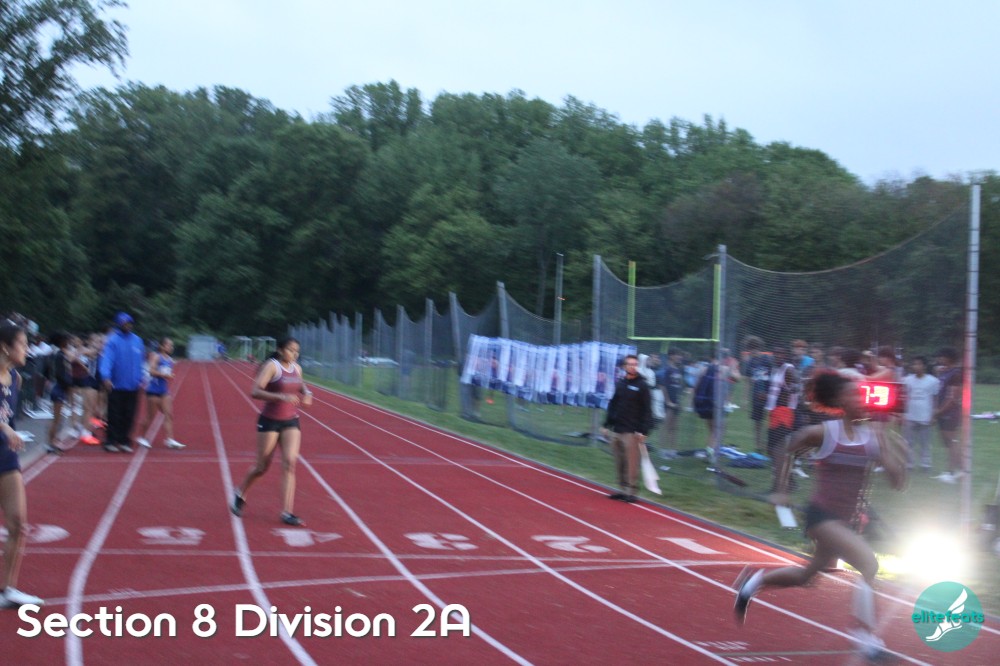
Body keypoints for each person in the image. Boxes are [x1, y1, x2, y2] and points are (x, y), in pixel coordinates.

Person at [733, 371, 908, 660]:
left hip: (846, 520)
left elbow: (898, 482)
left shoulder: (873, 437)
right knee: (868, 563)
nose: (862, 400)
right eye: (855, 395)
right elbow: (784, 449)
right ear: (841, 401)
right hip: (821, 516)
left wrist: (891, 447)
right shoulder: (825, 432)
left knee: (807, 575)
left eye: (862, 395)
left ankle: (751, 584)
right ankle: (867, 639)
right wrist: (781, 489)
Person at [232, 337, 313, 526]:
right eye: (291, 350)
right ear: (280, 350)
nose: (294, 354)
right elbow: (255, 391)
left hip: (291, 421)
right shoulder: (272, 366)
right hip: (270, 421)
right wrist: (281, 396)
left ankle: (287, 512)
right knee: (261, 467)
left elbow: (301, 385)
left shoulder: (297, 368)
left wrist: (308, 394)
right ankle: (240, 492)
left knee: (290, 463)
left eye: (297, 351)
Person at [0, 320, 44, 607]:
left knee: (18, 523)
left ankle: (8, 590)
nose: (27, 349)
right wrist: (4, 428)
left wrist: (11, 434)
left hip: (5, 457)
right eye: (23, 344)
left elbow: (9, 417)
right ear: (5, 347)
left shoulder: (15, 378)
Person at [600, 354, 652, 503]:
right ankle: (622, 489)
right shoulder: (621, 383)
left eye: (635, 364)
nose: (632, 367)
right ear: (624, 367)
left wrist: (644, 431)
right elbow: (613, 405)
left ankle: (631, 491)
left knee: (631, 463)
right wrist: (606, 425)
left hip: (632, 431)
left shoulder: (642, 385)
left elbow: (647, 410)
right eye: (629, 364)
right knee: (620, 461)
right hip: (617, 429)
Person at [99, 312, 147, 453]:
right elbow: (107, 359)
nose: (127, 326)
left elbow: (141, 361)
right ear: (119, 324)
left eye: (129, 323)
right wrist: (106, 376)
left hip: (133, 385)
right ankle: (111, 440)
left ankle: (125, 440)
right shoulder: (112, 341)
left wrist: (142, 377)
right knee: (114, 414)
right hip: (116, 384)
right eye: (125, 324)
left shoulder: (137, 341)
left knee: (130, 414)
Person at [137, 338, 185, 450]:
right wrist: (165, 375)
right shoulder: (156, 356)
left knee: (169, 415)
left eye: (172, 346)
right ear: (162, 346)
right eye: (169, 345)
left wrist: (168, 376)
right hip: (153, 391)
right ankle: (142, 437)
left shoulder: (169, 360)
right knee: (150, 417)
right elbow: (151, 371)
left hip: (164, 391)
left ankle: (170, 439)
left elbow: (166, 373)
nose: (171, 348)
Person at [902, 356, 939, 473]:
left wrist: (933, 415)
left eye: (919, 364)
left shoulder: (933, 381)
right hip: (910, 415)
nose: (916, 366)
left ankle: (925, 464)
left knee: (925, 442)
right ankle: (909, 464)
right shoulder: (907, 380)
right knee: (908, 442)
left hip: (925, 416)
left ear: (924, 366)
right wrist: (902, 414)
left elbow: (935, 399)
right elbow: (903, 397)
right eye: (914, 364)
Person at [933, 346, 962, 483]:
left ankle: (951, 473)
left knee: (951, 442)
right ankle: (961, 470)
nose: (940, 359)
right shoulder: (945, 372)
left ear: (949, 358)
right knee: (948, 443)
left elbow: (952, 398)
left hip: (950, 413)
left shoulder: (955, 374)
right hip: (943, 411)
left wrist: (938, 412)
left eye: (942, 356)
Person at [743, 336, 772, 454]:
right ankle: (758, 445)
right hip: (756, 395)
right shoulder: (750, 362)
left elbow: (774, 375)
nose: (752, 352)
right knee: (757, 421)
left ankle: (769, 444)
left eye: (754, 349)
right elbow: (747, 381)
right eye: (750, 349)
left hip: (769, 394)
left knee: (770, 419)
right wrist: (745, 399)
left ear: (759, 348)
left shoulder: (767, 360)